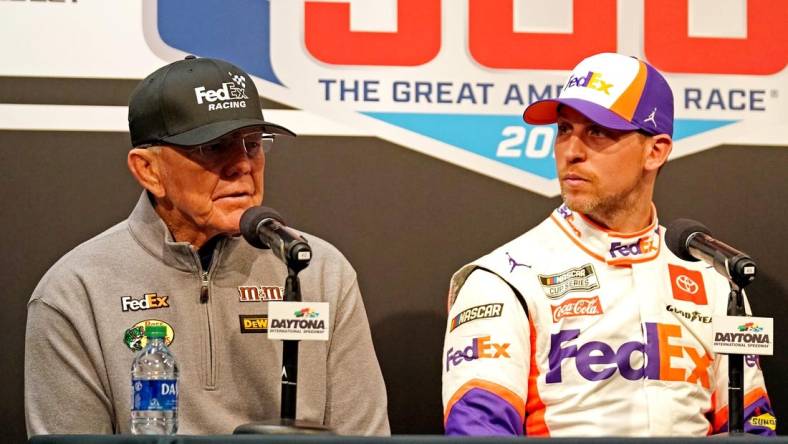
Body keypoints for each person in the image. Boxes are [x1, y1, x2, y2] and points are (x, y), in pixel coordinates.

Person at [25, 56, 390, 436]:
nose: (241, 165)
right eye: (213, 147)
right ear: (148, 170)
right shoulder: (74, 291)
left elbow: (363, 437)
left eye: (251, 144)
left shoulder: (320, 270)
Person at [441, 53, 775, 436]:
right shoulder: (503, 279)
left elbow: (754, 425)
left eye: (598, 132)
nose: (571, 150)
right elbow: (479, 430)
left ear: (656, 150)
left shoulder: (715, 278)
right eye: (564, 129)